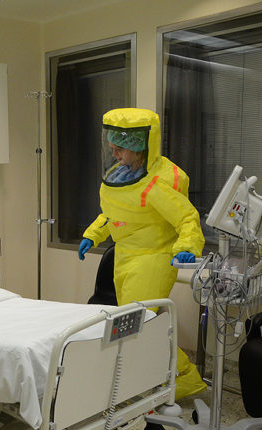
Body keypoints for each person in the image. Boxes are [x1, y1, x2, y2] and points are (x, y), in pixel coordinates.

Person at [77, 107, 206, 399]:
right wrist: (92, 235)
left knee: (139, 325)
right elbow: (110, 215)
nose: (115, 156)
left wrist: (186, 248)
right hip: (124, 258)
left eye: (120, 150)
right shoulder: (120, 176)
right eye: (112, 149)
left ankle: (184, 379)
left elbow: (187, 218)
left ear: (139, 148)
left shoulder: (155, 184)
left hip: (153, 259)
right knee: (139, 326)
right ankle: (152, 376)